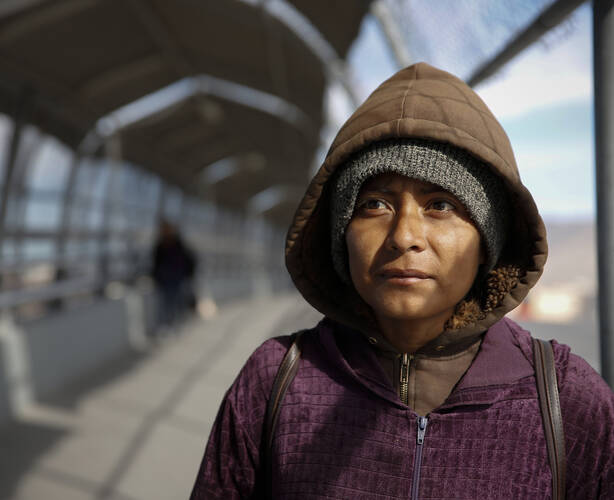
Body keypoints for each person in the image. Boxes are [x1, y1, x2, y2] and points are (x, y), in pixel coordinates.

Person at [190, 63, 614, 498]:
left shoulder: (565, 399)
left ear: (488, 241)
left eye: (441, 205)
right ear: (341, 235)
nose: (404, 237)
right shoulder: (274, 380)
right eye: (374, 203)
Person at [151, 220, 196, 328]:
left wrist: (188, 273)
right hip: (165, 278)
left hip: (177, 278)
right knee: (165, 302)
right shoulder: (161, 245)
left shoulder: (178, 244)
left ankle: (175, 323)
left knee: (176, 300)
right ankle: (166, 324)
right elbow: (155, 263)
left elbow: (188, 260)